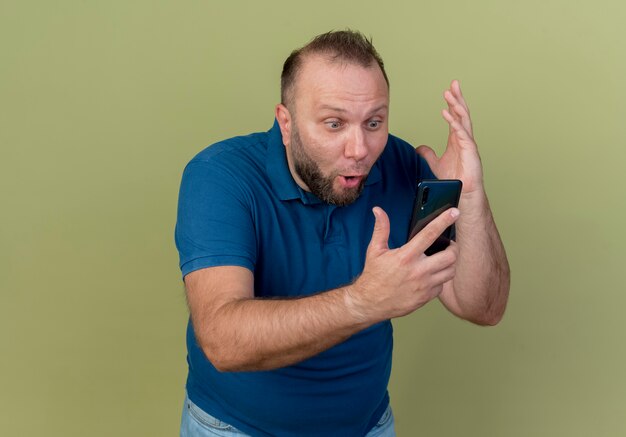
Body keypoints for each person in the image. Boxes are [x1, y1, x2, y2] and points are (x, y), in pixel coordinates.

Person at [175, 30, 510, 437]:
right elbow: (222, 341)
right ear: (286, 122)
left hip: (368, 426)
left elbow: (481, 306)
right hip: (235, 429)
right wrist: (362, 302)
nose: (359, 149)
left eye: (374, 122)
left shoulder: (399, 165)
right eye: (334, 124)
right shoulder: (221, 177)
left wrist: (470, 195)